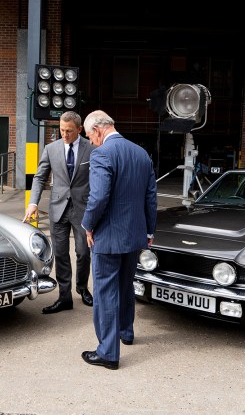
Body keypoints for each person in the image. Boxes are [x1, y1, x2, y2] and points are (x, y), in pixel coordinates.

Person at [80, 110, 157, 370]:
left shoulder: (102, 153)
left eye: (90, 136)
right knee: (125, 286)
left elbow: (99, 196)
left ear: (99, 130)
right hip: (135, 235)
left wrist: (88, 225)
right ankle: (126, 332)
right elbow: (150, 197)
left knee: (105, 292)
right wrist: (149, 232)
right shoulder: (141, 153)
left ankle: (108, 353)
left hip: (108, 236)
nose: (90, 142)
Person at [23, 111, 96, 314]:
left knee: (83, 252)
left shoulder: (91, 149)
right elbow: (39, 178)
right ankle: (65, 297)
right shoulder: (51, 149)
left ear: (79, 130)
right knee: (62, 254)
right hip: (58, 208)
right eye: (62, 130)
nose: (64, 134)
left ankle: (82, 288)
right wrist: (33, 203)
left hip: (83, 209)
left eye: (69, 131)